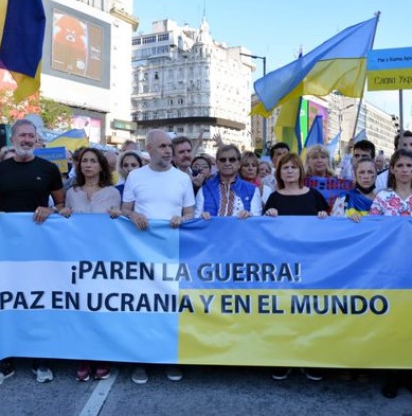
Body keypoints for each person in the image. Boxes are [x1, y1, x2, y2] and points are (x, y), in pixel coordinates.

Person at [0, 119, 65, 388]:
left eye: (31, 135)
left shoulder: (49, 169)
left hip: (40, 251)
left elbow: (61, 202)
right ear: (13, 138)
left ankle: (40, 358)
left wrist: (50, 209)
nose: (27, 139)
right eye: (22, 135)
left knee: (38, 301)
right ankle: (6, 360)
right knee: (7, 302)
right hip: (6, 251)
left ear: (37, 139)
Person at [121, 129, 194, 384]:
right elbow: (125, 209)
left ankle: (169, 360)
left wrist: (181, 219)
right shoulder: (135, 176)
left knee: (169, 309)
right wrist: (133, 216)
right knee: (142, 308)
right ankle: (140, 361)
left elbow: (190, 214)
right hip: (140, 255)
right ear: (149, 149)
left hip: (172, 254)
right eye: (162, 146)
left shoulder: (182, 179)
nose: (167, 150)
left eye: (169, 146)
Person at [366, 148, 412, 398]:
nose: (405, 170)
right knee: (391, 322)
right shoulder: (382, 198)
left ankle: (411, 374)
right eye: (400, 166)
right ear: (392, 169)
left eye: (409, 166)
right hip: (389, 268)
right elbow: (374, 230)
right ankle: (392, 374)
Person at [263, 152, 328, 381]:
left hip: (311, 265)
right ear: (279, 173)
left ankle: (310, 360)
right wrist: (268, 215)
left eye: (293, 167)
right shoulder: (273, 198)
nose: (289, 171)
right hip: (282, 267)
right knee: (283, 315)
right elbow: (263, 233)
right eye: (285, 168)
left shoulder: (315, 196)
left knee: (309, 314)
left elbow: (330, 226)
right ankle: (283, 359)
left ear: (301, 171)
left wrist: (323, 216)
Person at [58, 147, 120, 381]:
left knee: (102, 308)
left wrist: (119, 215)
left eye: (93, 161)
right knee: (81, 309)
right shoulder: (72, 192)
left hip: (103, 259)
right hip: (77, 258)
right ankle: (84, 355)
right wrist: (62, 213)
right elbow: (65, 217)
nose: (88, 165)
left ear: (101, 166)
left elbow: (119, 222)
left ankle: (102, 356)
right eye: (84, 161)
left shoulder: (112, 193)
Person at [195, 145, 261, 219]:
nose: (227, 163)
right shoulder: (205, 189)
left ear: (239, 164)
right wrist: (201, 217)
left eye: (232, 160)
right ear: (217, 163)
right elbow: (196, 218)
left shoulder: (252, 190)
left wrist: (249, 216)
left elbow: (257, 220)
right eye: (223, 160)